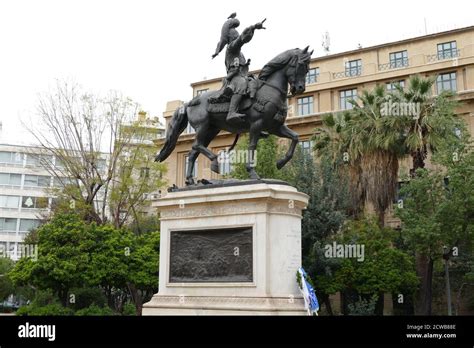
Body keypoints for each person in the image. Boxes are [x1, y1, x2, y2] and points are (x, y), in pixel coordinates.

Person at [211, 14, 266, 124]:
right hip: (234, 77)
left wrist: (246, 65)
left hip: (242, 74)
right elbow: (242, 39)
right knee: (241, 84)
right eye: (235, 36)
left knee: (255, 83)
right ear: (232, 38)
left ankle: (255, 115)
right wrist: (254, 27)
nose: (237, 37)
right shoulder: (232, 47)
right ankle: (231, 112)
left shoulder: (238, 52)